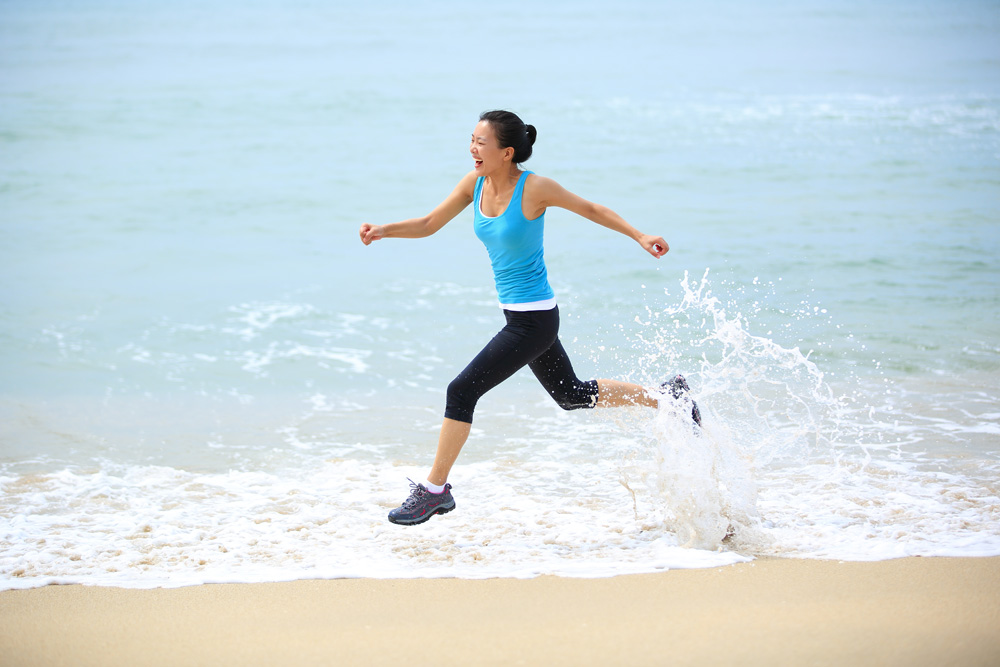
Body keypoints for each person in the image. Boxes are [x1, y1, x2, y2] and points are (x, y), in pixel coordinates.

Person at [359, 110, 701, 526]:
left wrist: (639, 235)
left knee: (461, 391)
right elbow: (430, 223)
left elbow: (590, 209)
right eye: (471, 139)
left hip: (534, 322)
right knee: (571, 394)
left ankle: (435, 490)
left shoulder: (535, 188)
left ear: (506, 152)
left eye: (480, 143)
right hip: (524, 318)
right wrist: (383, 229)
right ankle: (669, 396)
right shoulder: (476, 184)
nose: (472, 148)